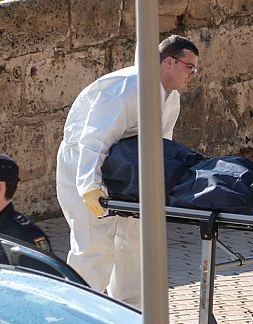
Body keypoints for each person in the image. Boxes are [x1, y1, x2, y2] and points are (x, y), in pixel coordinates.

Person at [56, 35, 199, 307]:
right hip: (84, 162)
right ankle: (78, 312)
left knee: (134, 244)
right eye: (189, 66)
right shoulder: (127, 87)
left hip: (126, 170)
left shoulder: (171, 100)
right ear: (168, 62)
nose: (193, 74)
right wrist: (89, 185)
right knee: (94, 245)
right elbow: (94, 138)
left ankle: (132, 312)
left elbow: (161, 147)